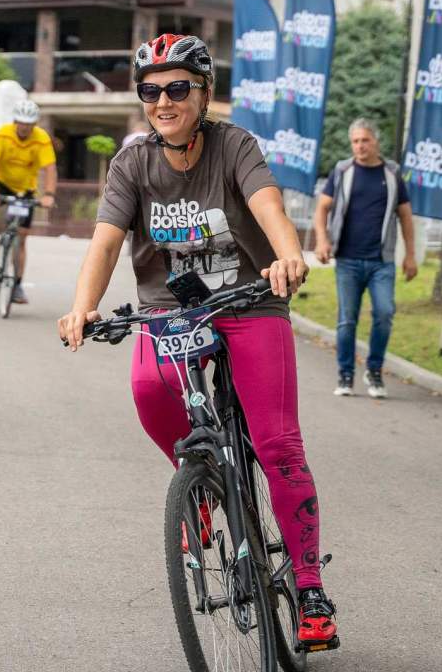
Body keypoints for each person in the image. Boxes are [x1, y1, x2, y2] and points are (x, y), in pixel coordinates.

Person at [58, 33, 338, 647]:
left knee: (276, 443)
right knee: (148, 386)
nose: (163, 100)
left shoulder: (235, 145)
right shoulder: (132, 162)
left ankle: (311, 589)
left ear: (204, 93)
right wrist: (83, 307)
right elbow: (106, 242)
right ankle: (204, 484)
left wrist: (288, 257)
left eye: (177, 88)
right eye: (151, 91)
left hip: (250, 299)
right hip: (172, 312)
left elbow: (269, 208)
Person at [313, 119, 417, 399]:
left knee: (384, 313)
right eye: (356, 141)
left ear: (376, 142)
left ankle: (374, 371)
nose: (360, 146)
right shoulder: (343, 171)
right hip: (347, 259)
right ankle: (345, 374)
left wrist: (410, 255)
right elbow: (322, 208)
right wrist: (322, 240)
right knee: (347, 320)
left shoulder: (392, 173)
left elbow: (405, 215)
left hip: (381, 261)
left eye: (365, 140)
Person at [0, 99, 57, 305]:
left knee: (21, 238)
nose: (25, 127)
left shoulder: (41, 139)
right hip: (0, 183)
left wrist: (48, 194)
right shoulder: (2, 134)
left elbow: (50, 168)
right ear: (15, 121)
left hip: (25, 190)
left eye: (30, 124)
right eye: (22, 123)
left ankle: (18, 285)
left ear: (34, 124)